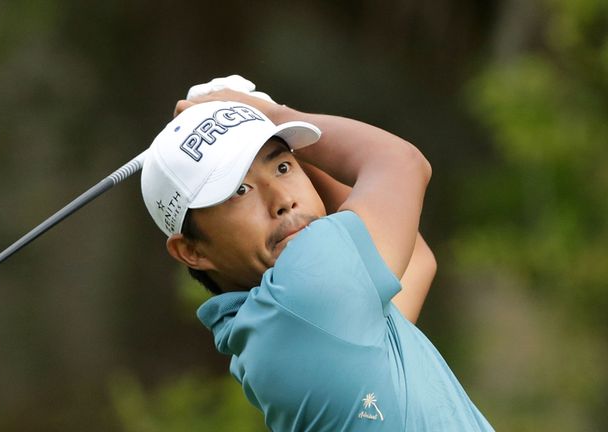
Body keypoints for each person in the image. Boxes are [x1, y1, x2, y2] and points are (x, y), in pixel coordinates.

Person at [140, 76, 493, 431]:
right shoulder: (306, 299)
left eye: (282, 167)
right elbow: (402, 163)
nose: (282, 200)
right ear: (192, 251)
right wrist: (273, 114)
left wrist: (255, 130)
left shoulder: (279, 328)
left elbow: (416, 258)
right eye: (240, 190)